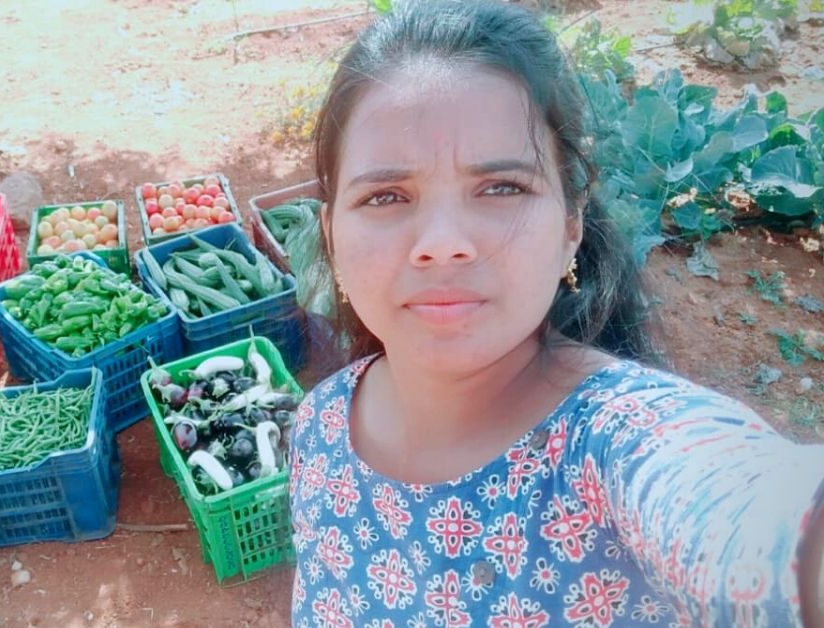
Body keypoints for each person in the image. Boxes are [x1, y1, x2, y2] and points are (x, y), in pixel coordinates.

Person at [287, 1, 824, 626]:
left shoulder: (618, 445)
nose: (441, 240)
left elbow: (753, 517)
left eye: (501, 187)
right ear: (330, 236)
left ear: (571, 223)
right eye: (385, 196)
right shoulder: (321, 427)